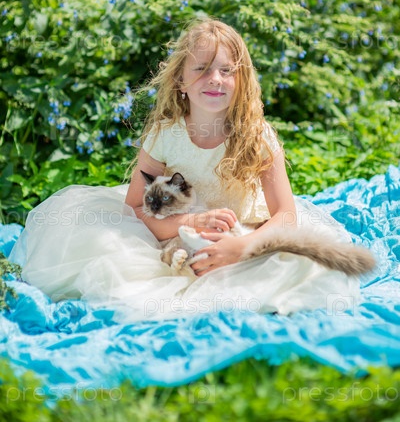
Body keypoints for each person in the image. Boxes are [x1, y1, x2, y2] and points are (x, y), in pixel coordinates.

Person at [9, 18, 359, 320]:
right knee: (114, 259)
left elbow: (286, 215)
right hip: (172, 231)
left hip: (245, 232)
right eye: (202, 69)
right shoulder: (166, 134)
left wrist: (242, 247)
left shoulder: (257, 136)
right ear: (180, 79)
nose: (215, 79)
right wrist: (190, 222)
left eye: (226, 70)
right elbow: (135, 208)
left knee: (303, 266)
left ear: (241, 79)